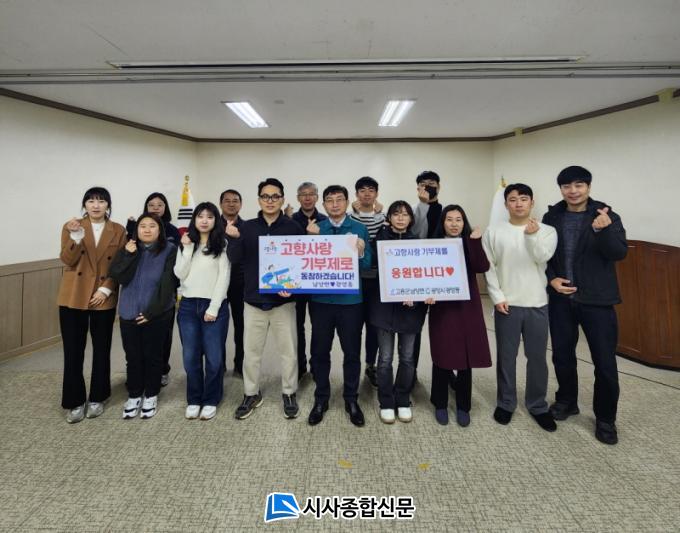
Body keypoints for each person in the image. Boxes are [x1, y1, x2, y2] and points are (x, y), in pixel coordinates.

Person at [542, 166, 627, 445]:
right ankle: (567, 401)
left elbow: (618, 253)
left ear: (588, 187)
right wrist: (551, 278)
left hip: (597, 300)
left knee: (604, 362)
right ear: (561, 189)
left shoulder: (606, 215)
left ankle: (606, 419)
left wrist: (603, 231)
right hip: (561, 299)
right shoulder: (552, 216)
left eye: (579, 185)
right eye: (567, 186)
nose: (573, 191)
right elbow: (544, 254)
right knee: (562, 355)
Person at [226, 178, 305, 420]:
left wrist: (292, 289)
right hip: (253, 301)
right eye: (265, 196)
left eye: (275, 196)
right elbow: (234, 259)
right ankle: (251, 393)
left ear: (282, 199)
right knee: (251, 352)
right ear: (259, 199)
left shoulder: (293, 228)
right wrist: (234, 238)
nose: (270, 200)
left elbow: (301, 265)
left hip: (283, 302)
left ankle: (289, 392)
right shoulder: (247, 227)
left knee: (288, 352)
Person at [482, 184, 557, 432]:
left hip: (537, 303)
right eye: (512, 200)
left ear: (532, 202)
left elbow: (542, 257)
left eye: (523, 199)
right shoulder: (494, 231)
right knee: (506, 357)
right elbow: (490, 267)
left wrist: (532, 236)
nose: (518, 204)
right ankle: (506, 403)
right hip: (507, 304)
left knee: (537, 358)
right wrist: (497, 296)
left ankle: (538, 405)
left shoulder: (547, 231)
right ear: (506, 205)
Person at [57, 186, 126, 423]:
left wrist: (106, 288)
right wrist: (76, 237)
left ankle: (98, 396)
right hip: (73, 295)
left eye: (101, 201)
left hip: (103, 296)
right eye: (91, 201)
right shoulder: (72, 226)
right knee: (73, 351)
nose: (96, 205)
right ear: (84, 205)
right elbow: (67, 260)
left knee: (102, 349)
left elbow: (120, 264)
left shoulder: (118, 230)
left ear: (108, 205)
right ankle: (74, 401)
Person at [306, 185, 372, 427]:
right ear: (323, 204)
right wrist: (310, 240)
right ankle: (321, 398)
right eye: (330, 200)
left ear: (347, 202)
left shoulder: (359, 228)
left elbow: (366, 265)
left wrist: (362, 253)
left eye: (339, 200)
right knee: (319, 352)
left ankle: (351, 399)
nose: (334, 204)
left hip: (350, 302)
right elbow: (304, 265)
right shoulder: (316, 229)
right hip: (320, 301)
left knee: (352, 352)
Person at [109, 213, 178, 419]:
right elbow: (118, 276)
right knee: (133, 357)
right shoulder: (129, 248)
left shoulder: (169, 250)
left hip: (156, 313)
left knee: (153, 356)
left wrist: (151, 312)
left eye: (152, 226)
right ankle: (134, 394)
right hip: (128, 312)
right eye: (142, 226)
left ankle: (151, 394)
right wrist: (128, 255)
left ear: (160, 229)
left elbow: (168, 284)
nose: (147, 230)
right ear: (136, 230)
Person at [427, 205, 491, 427]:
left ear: (464, 223)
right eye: (449, 219)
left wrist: (475, 241)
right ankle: (440, 403)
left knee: (466, 357)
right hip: (442, 308)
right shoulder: (431, 245)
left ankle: (464, 406)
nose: (454, 224)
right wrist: (425, 293)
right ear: (442, 222)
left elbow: (482, 266)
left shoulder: (469, 242)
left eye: (459, 219)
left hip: (467, 307)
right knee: (442, 355)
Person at [369, 201, 427, 424]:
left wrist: (419, 295)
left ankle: (403, 398)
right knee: (384, 359)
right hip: (384, 309)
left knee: (407, 358)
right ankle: (386, 401)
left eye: (405, 214)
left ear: (411, 219)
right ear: (389, 218)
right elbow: (373, 266)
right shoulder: (380, 241)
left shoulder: (419, 244)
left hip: (410, 310)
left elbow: (425, 276)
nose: (401, 218)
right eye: (396, 214)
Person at [174, 202, 230, 421]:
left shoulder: (222, 244)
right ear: (194, 219)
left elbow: (223, 278)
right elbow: (180, 273)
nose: (204, 220)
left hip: (214, 305)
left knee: (214, 358)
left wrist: (213, 308)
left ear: (216, 220)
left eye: (209, 216)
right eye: (200, 216)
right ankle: (194, 399)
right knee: (190, 357)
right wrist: (187, 248)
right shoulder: (185, 243)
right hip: (188, 306)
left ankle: (211, 399)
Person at [125, 192, 180, 386]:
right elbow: (126, 258)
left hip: (165, 289)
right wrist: (130, 230)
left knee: (163, 335)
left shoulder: (173, 231)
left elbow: (176, 261)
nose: (156, 208)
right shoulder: (137, 229)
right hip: (139, 290)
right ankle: (139, 373)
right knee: (137, 338)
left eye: (160, 204)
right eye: (151, 205)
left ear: (166, 208)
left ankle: (162, 369)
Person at [286, 181, 327, 380]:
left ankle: (317, 367)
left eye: (311, 194)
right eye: (303, 194)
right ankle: (301, 366)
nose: (308, 197)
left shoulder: (325, 220)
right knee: (297, 326)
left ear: (317, 197)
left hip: (319, 282)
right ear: (298, 198)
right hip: (296, 282)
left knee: (319, 327)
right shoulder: (290, 220)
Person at [349, 176, 385, 387]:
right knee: (353, 326)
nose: (367, 194)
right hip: (354, 280)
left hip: (376, 281)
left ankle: (371, 364)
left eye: (371, 190)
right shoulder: (348, 218)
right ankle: (353, 365)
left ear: (377, 194)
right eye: (362, 190)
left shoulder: (384, 219)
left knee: (374, 326)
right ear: (356, 194)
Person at [220, 189, 246, 375]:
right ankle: (218, 365)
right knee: (217, 327)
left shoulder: (248, 227)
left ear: (240, 204)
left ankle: (240, 364)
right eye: (227, 201)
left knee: (241, 325)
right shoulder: (212, 225)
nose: (231, 204)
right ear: (221, 204)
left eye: (235, 200)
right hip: (216, 284)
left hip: (240, 282)